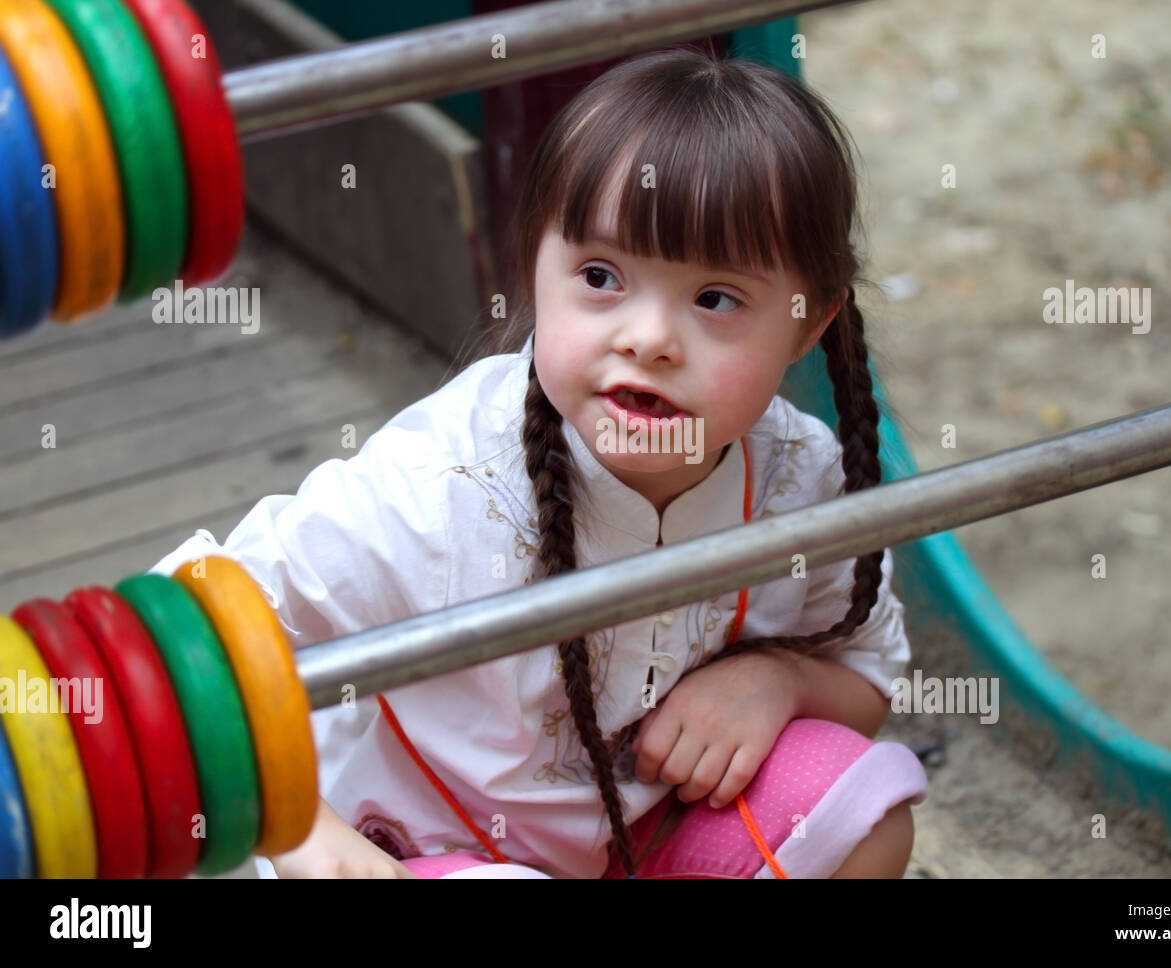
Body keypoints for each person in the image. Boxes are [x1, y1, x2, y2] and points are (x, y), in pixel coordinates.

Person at [150, 47, 928, 879]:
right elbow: (186, 623)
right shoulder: (443, 489)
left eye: (716, 299)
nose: (648, 338)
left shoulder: (800, 476)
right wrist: (304, 831)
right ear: (537, 267)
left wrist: (779, 682)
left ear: (810, 326)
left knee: (862, 817)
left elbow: (869, 669)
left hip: (654, 832)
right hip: (435, 855)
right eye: (600, 276)